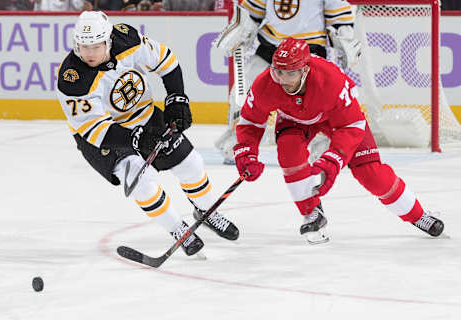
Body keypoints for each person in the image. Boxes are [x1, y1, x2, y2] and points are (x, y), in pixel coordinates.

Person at [56, 11, 239, 256]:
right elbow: (93, 128)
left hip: (145, 116)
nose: (88, 53)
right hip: (104, 137)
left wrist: (177, 98)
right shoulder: (72, 78)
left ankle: (206, 211)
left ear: (108, 40)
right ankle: (178, 229)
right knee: (142, 185)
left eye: (95, 46)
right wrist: (134, 138)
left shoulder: (126, 39)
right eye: (83, 46)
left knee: (191, 164)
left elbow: (166, 61)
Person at [233, 37, 444, 244]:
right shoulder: (266, 84)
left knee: (370, 173)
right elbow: (250, 122)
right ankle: (311, 212)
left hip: (337, 120)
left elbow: (351, 126)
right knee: (289, 151)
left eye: (290, 73)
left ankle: (418, 215)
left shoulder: (331, 81)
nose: (283, 80)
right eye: (278, 72)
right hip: (294, 119)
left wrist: (332, 162)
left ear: (305, 70)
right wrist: (246, 153)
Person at [213, 0, 361, 164]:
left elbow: (339, 17)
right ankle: (240, 142)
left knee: (319, 100)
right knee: (243, 90)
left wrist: (345, 37)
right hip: (271, 45)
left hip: (308, 49)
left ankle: (323, 146)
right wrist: (241, 29)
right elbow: (251, 13)